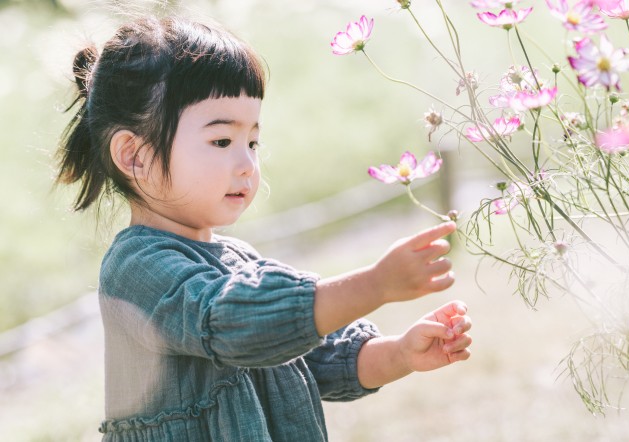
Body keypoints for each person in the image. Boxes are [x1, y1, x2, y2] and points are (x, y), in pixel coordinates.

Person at [55, 14, 472, 442]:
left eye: (252, 142)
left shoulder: (240, 260)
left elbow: (320, 357)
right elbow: (234, 323)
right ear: (134, 156)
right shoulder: (136, 268)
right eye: (222, 141)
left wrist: (401, 352)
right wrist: (374, 285)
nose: (247, 164)